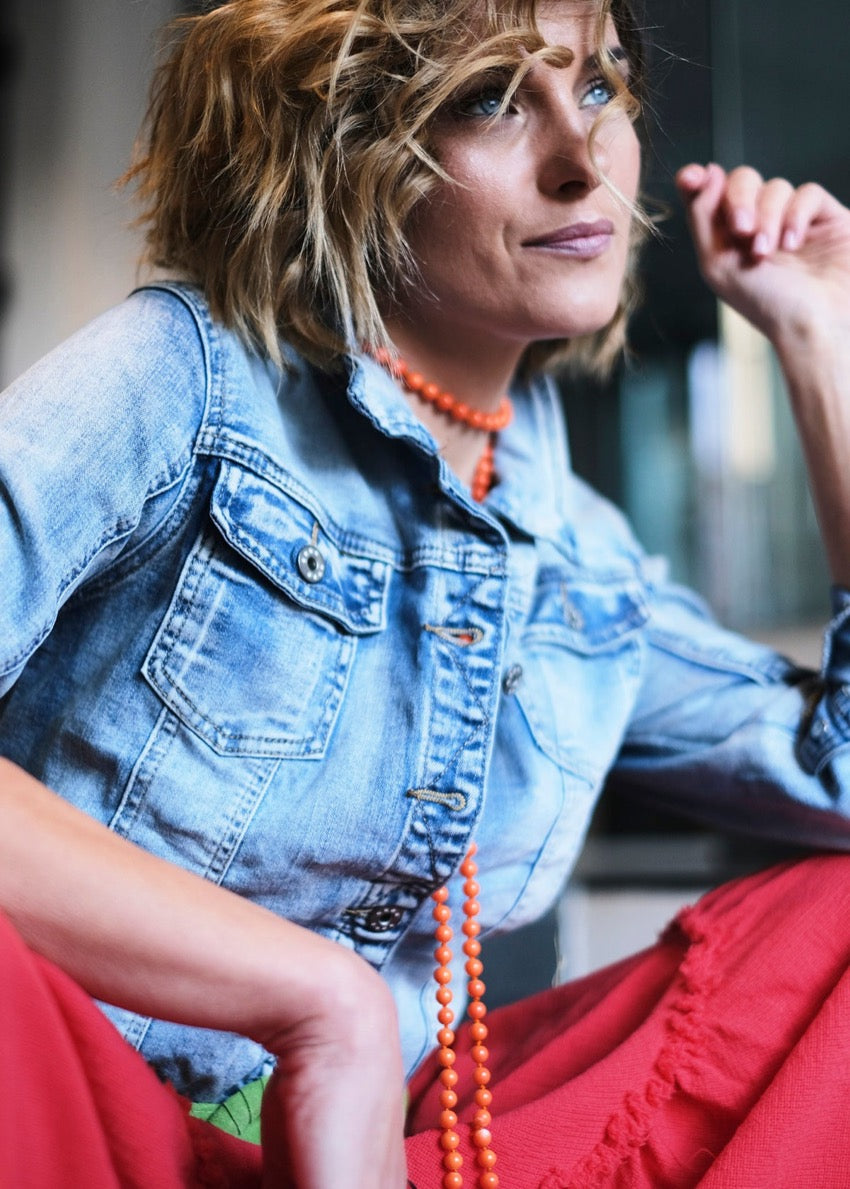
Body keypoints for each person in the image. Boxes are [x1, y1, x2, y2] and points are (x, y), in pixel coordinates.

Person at [2, 0, 850, 1185]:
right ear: (339, 156)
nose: (582, 162)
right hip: (77, 1106)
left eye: (600, 87)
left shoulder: (579, 559)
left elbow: (840, 779)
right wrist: (318, 1001)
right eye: (493, 99)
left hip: (403, 1146)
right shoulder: (183, 378)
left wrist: (821, 342)